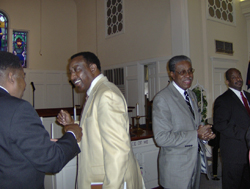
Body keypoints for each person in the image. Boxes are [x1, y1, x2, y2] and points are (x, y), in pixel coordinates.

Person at [57, 52, 144, 189]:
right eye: (70, 72)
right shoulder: (96, 93)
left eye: (76, 69)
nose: (72, 77)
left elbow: (117, 152)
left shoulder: (106, 95)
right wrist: (71, 125)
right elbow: (94, 132)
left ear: (92, 68)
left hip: (108, 181)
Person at [0, 51, 82, 189]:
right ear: (11, 77)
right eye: (23, 77)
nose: (25, 84)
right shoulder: (18, 109)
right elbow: (51, 160)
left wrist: (40, 144)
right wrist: (72, 134)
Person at [153, 55, 215, 189]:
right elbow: (161, 138)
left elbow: (195, 125)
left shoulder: (191, 95)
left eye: (190, 71)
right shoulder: (162, 99)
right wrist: (195, 134)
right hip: (177, 169)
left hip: (194, 163)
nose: (188, 75)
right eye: (182, 72)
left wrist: (205, 134)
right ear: (172, 74)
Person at [213, 68, 250, 189]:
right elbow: (220, 124)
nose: (238, 79)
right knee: (233, 184)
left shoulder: (249, 96)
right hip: (234, 153)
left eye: (239, 76)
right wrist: (246, 134)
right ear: (227, 82)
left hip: (249, 152)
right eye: (234, 77)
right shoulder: (223, 100)